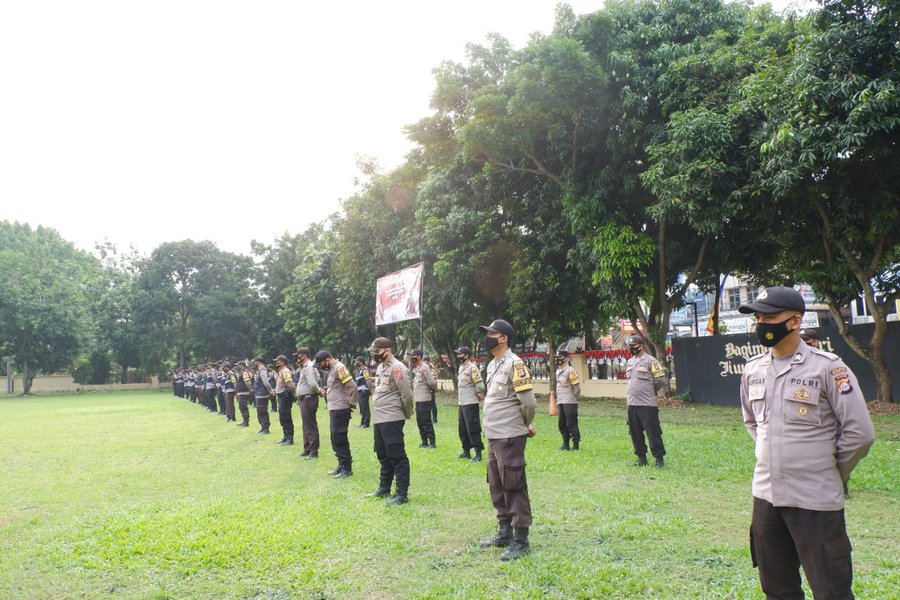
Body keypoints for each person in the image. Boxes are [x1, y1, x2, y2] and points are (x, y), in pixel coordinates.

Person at [739, 286, 875, 600]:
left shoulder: (828, 368)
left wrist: (828, 469)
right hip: (766, 497)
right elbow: (753, 423)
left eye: (770, 316)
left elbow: (860, 433)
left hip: (815, 499)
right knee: (777, 588)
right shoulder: (752, 371)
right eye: (758, 317)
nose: (762, 323)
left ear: (795, 320)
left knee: (831, 591)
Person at [477, 319, 536, 561]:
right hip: (493, 434)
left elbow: (529, 403)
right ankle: (504, 531)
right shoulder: (493, 365)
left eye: (491, 333)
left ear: (503, 338)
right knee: (496, 483)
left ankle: (521, 539)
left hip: (510, 434)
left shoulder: (516, 364)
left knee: (513, 483)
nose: (487, 337)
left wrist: (522, 426)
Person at [366, 337, 414, 506]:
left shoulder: (398, 368)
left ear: (387, 350)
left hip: (392, 418)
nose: (374, 356)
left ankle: (402, 493)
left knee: (397, 456)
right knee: (382, 454)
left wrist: (407, 414)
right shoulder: (381, 367)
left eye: (377, 352)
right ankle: (384, 487)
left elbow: (407, 394)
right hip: (379, 419)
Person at [625, 335, 667, 468]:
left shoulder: (651, 361)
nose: (631, 349)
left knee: (652, 431)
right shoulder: (630, 361)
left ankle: (659, 459)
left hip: (647, 403)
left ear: (641, 346)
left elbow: (661, 380)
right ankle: (641, 458)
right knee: (635, 432)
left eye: (634, 346)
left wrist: (650, 389)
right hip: (632, 403)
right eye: (630, 347)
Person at [315, 350, 358, 479]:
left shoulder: (340, 368)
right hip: (334, 408)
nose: (320, 367)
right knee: (335, 438)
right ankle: (341, 465)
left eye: (321, 363)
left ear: (327, 359)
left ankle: (347, 468)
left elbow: (353, 386)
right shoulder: (331, 370)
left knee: (340, 438)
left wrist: (351, 403)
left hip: (341, 408)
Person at [454, 345, 485, 462]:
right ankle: (466, 451)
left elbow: (480, 385)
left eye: (460, 354)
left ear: (466, 355)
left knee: (473, 428)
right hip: (462, 403)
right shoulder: (461, 367)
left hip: (470, 403)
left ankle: (478, 454)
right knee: (462, 428)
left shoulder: (472, 368)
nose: (458, 356)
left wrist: (477, 394)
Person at [294, 348, 321, 459]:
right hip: (304, 398)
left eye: (298, 355)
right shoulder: (306, 367)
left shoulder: (309, 366)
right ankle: (307, 448)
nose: (297, 358)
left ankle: (313, 451)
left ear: (304, 355)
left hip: (308, 398)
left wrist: (319, 391)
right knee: (306, 425)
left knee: (310, 425)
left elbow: (313, 383)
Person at [554, 350, 582, 451]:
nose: (558, 359)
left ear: (566, 358)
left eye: (560, 357)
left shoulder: (570, 371)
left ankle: (575, 444)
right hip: (561, 400)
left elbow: (577, 387)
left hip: (570, 400)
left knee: (571, 423)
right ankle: (565, 443)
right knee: (561, 423)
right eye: (556, 357)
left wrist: (575, 398)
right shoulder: (558, 371)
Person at [410, 348, 437, 448]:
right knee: (419, 421)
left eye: (413, 355)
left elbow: (432, 382)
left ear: (418, 356)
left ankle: (432, 443)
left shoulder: (424, 367)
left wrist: (429, 389)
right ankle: (424, 441)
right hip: (418, 398)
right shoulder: (417, 367)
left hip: (424, 398)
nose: (411, 357)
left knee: (426, 421)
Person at [273, 355, 296, 446]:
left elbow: (290, 385)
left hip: (285, 397)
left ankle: (290, 438)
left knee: (286, 417)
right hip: (281, 397)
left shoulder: (286, 372)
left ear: (282, 362)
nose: (276, 363)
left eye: (277, 361)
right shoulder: (281, 372)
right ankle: (285, 436)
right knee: (282, 417)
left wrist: (294, 395)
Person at [252, 357, 274, 435]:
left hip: (262, 394)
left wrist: (270, 391)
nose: (254, 364)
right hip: (259, 393)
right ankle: (262, 427)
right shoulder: (260, 370)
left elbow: (266, 382)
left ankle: (266, 428)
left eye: (255, 362)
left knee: (262, 411)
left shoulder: (263, 370)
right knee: (259, 411)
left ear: (258, 362)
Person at [354, 356, 372, 428]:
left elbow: (368, 381)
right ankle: (362, 422)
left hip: (364, 391)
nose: (356, 363)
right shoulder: (359, 370)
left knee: (365, 407)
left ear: (361, 362)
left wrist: (370, 390)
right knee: (361, 407)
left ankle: (366, 423)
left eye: (357, 362)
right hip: (359, 390)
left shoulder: (365, 370)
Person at [235, 362, 253, 427]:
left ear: (241, 365)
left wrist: (250, 390)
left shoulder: (245, 372)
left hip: (244, 392)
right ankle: (244, 420)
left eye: (238, 365)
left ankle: (246, 421)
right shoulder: (242, 372)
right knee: (241, 406)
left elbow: (247, 382)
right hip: (241, 392)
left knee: (243, 406)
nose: (237, 367)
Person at [424, 355, 439, 424]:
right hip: (424, 391)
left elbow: (433, 381)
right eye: (424, 361)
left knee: (432, 405)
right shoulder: (422, 369)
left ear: (429, 362)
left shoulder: (431, 370)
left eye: (427, 361)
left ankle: (434, 419)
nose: (425, 362)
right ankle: (428, 418)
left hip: (431, 390)